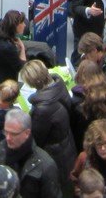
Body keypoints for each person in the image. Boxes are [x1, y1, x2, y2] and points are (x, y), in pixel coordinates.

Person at [20, 60, 76, 191]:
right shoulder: (59, 86)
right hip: (67, 145)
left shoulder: (42, 109)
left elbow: (37, 138)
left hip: (55, 156)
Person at [0, 109, 61, 198]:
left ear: (27, 133)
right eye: (6, 132)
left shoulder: (46, 165)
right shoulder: (2, 150)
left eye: (13, 134)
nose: (8, 138)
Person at [0, 10, 27, 85]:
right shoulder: (7, 47)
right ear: (15, 25)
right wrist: (22, 48)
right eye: (22, 23)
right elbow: (22, 68)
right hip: (5, 84)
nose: (24, 25)